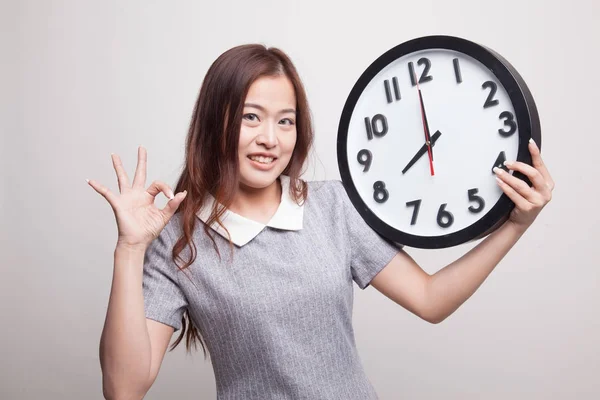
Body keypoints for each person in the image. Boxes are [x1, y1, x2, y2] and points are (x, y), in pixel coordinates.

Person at [90, 44, 554, 399]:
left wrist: (514, 225)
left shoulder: (333, 207)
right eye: (252, 117)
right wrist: (129, 250)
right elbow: (124, 388)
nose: (270, 139)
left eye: (286, 121)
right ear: (217, 122)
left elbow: (430, 300)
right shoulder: (178, 238)